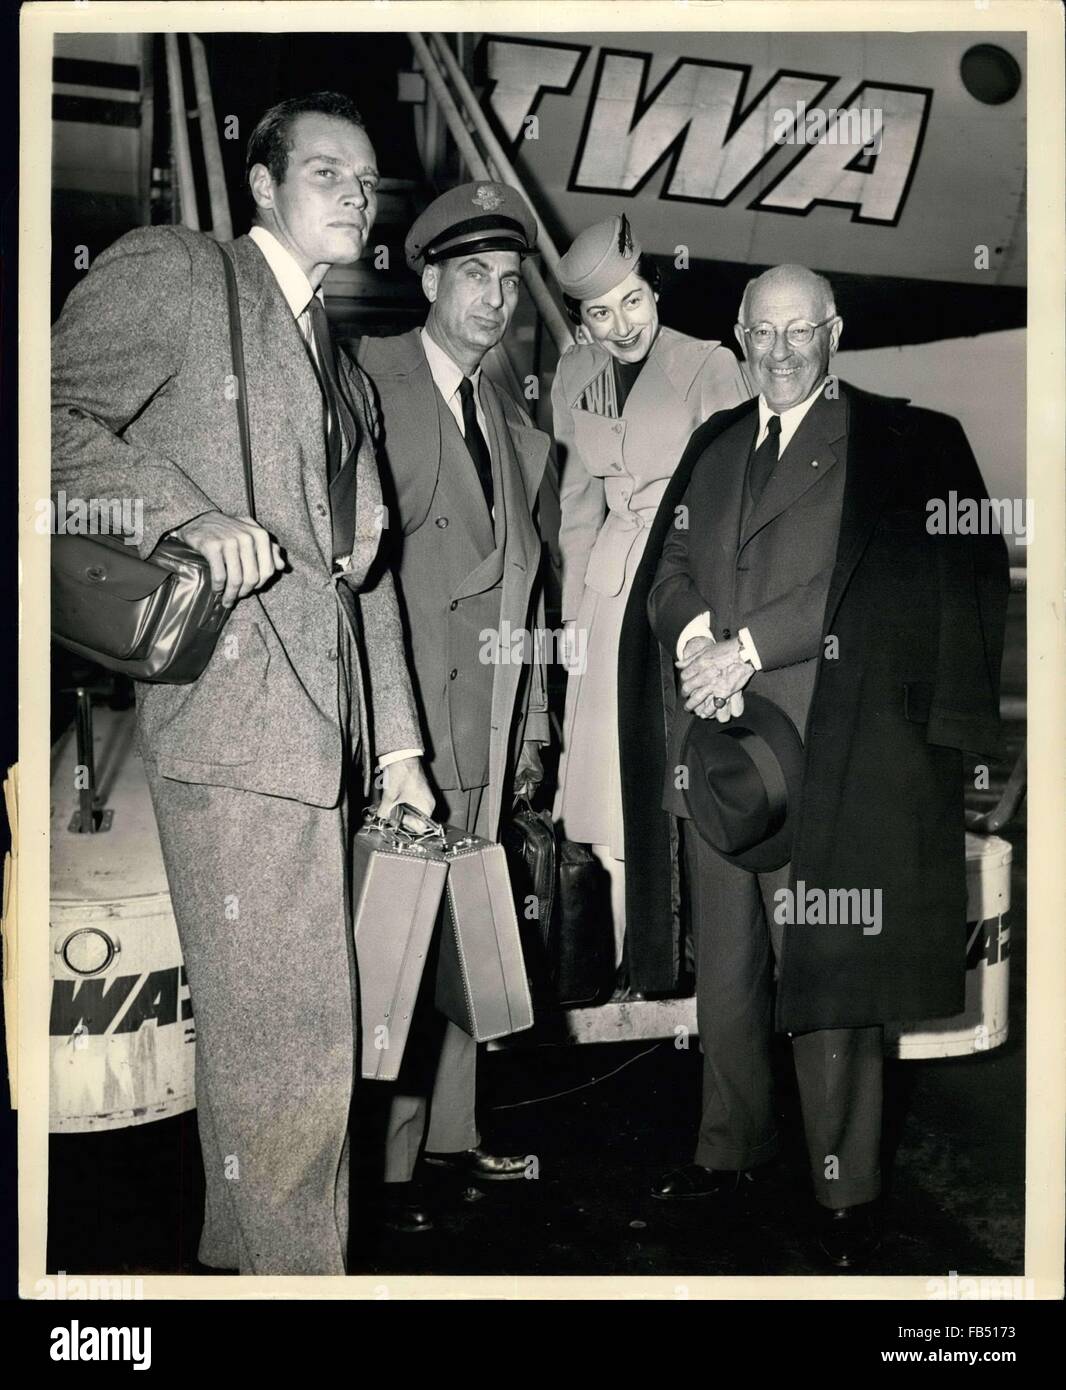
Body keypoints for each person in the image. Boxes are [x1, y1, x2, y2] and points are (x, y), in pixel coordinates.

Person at [51, 92, 434, 1274]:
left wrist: (406, 753)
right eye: (328, 174)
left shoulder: (343, 362)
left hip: (325, 743)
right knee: (300, 1049)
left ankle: (247, 1262)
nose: (356, 199)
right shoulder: (180, 274)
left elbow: (358, 580)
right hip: (231, 725)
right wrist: (188, 513)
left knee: (273, 1043)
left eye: (367, 184)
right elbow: (49, 421)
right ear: (262, 186)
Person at [644, 264, 1009, 1267]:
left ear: (834, 332)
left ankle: (842, 1191)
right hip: (719, 752)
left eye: (799, 331)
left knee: (827, 974)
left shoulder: (898, 443)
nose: (779, 351)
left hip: (834, 753)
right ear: (737, 335)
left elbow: (884, 586)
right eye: (760, 333)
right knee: (726, 969)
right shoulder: (713, 444)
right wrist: (695, 647)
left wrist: (744, 648)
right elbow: (666, 573)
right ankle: (730, 1153)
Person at [357, 182, 551, 1230]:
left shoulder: (509, 415)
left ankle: (451, 1142)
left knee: (466, 937)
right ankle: (378, 1174)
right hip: (404, 735)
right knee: (388, 949)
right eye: (472, 274)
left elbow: (529, 583)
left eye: (509, 281)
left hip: (486, 727)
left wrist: (536, 734)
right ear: (426, 276)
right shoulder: (366, 380)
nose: (494, 298)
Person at [551, 214, 750, 994]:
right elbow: (576, 506)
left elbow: (732, 503)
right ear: (582, 319)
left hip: (680, 596)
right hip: (607, 597)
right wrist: (571, 619)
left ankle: (686, 962)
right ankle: (627, 961)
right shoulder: (575, 377)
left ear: (652, 288)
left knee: (673, 781)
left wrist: (719, 626)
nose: (622, 325)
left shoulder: (709, 366)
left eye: (633, 302)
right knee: (602, 787)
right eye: (601, 312)